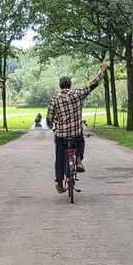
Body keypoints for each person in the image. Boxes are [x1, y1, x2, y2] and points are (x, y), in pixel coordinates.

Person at [46, 60, 108, 193]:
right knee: (81, 140)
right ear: (70, 85)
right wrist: (102, 70)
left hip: (62, 135)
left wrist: (52, 126)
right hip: (75, 133)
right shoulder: (77, 94)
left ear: (60, 86)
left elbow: (49, 119)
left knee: (59, 158)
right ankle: (79, 158)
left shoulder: (54, 99)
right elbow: (93, 84)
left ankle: (60, 183)